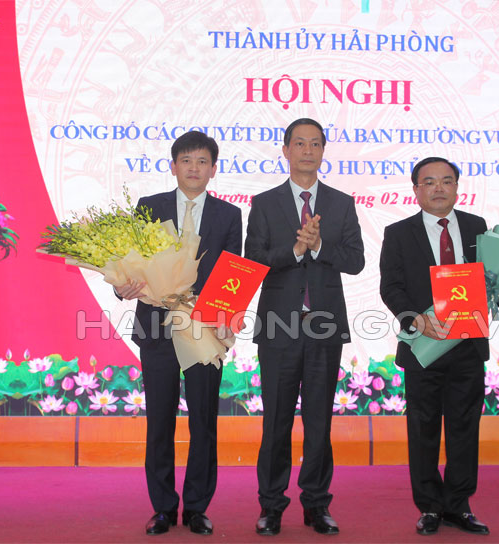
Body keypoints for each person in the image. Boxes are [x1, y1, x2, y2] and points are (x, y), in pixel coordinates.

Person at [380, 156, 499, 536]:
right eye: (430, 182)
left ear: (457, 187)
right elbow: (391, 287)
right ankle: (430, 507)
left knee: (464, 428)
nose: (439, 188)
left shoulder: (477, 227)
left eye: (446, 181)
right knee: (424, 429)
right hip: (424, 346)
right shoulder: (398, 233)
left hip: (467, 346)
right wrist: (415, 319)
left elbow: (491, 281)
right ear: (416, 190)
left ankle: (459, 505)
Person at [116, 131, 242, 536]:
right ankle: (163, 508)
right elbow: (130, 262)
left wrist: (223, 316)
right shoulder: (149, 207)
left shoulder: (229, 215)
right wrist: (122, 286)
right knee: (160, 422)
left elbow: (232, 273)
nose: (193, 168)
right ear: (173, 166)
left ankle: (198, 507)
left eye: (202, 161)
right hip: (157, 327)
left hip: (204, 330)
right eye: (186, 160)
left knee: (204, 421)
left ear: (213, 169)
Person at [245, 118, 365, 536]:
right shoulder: (264, 203)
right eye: (300, 143)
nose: (308, 151)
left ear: (323, 151)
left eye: (315, 144)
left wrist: (320, 246)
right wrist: (296, 249)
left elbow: (356, 261)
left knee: (319, 422)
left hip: (324, 327)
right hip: (278, 328)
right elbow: (254, 260)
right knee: (276, 422)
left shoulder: (341, 203)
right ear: (285, 150)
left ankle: (316, 504)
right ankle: (271, 505)